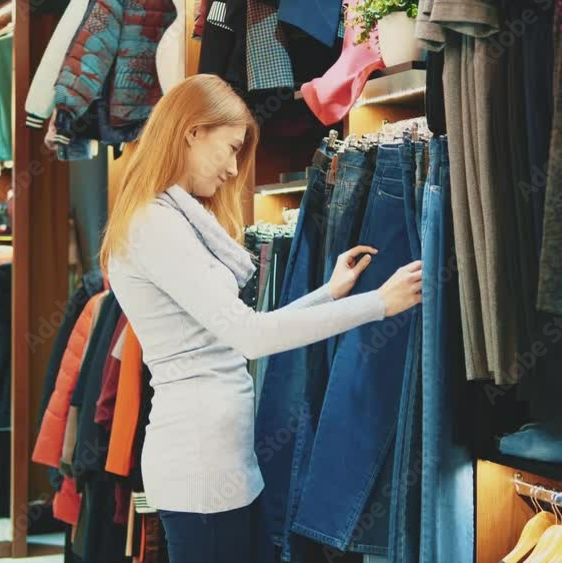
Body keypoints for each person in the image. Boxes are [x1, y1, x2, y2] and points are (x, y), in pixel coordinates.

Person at [100, 74, 423, 562]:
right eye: (231, 148)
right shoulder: (155, 225)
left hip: (223, 465)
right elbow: (250, 336)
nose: (234, 168)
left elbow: (237, 332)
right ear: (192, 131)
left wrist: (329, 293)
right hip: (200, 472)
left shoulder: (173, 219)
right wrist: (379, 303)